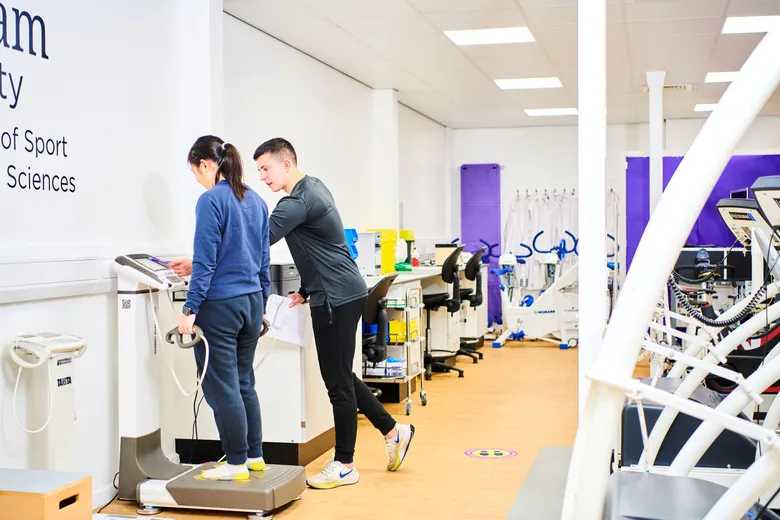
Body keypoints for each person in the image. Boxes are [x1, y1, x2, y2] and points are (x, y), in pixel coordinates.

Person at [253, 137, 415, 489]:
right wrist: (306, 289)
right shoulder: (315, 188)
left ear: (285, 163)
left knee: (337, 382)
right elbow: (324, 248)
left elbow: (255, 240)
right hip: (341, 291)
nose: (262, 178)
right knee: (341, 374)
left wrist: (201, 260)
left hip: (335, 298)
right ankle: (393, 430)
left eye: (265, 169)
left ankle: (344, 463)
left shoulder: (294, 202)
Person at [172, 135, 271, 482]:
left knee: (222, 387)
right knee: (244, 383)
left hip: (220, 308)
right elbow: (261, 261)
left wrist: (189, 310)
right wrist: (261, 305)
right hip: (250, 304)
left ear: (205, 164)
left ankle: (235, 464)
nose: (197, 180)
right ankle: (254, 456)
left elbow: (208, 265)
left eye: (195, 172)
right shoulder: (256, 201)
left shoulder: (210, 201)